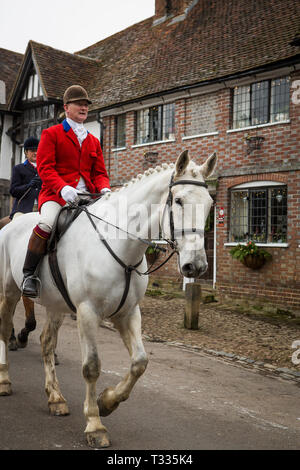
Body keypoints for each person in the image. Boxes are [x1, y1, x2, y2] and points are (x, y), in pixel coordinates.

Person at [21, 85, 111, 298]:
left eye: (86, 104)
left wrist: (104, 187)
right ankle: (29, 274)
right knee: (47, 224)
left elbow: (99, 172)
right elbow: (44, 168)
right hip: (56, 195)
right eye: (79, 103)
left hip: (88, 197)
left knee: (110, 225)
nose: (83, 107)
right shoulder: (51, 134)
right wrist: (62, 188)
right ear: (66, 107)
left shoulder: (93, 141)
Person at [9, 137, 42, 220]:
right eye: (32, 151)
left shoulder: (45, 168)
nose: (35, 153)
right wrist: (28, 186)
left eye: (37, 150)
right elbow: (13, 191)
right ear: (26, 152)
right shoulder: (18, 168)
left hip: (42, 207)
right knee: (17, 225)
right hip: (22, 209)